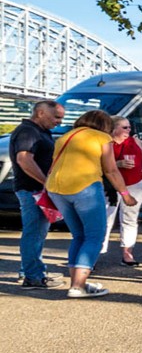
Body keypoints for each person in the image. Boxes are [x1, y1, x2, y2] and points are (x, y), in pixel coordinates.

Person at [45, 109, 137, 298]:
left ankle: (77, 283)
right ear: (105, 126)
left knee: (78, 236)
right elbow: (111, 170)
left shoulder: (66, 136)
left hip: (56, 189)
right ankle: (78, 286)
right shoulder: (101, 138)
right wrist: (125, 194)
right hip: (85, 186)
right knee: (95, 236)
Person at [10, 100, 66, 289]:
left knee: (37, 233)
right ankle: (33, 276)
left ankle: (31, 271)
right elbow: (24, 159)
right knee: (34, 233)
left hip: (36, 189)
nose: (59, 121)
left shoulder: (39, 131)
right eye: (56, 117)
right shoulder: (28, 131)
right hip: (32, 189)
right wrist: (46, 183)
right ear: (41, 113)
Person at [99, 116, 142, 266]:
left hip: (135, 184)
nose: (128, 130)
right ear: (113, 128)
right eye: (124, 127)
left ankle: (127, 253)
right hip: (111, 185)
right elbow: (98, 165)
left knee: (130, 218)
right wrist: (118, 163)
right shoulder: (105, 143)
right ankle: (96, 253)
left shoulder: (135, 141)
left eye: (129, 127)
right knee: (106, 219)